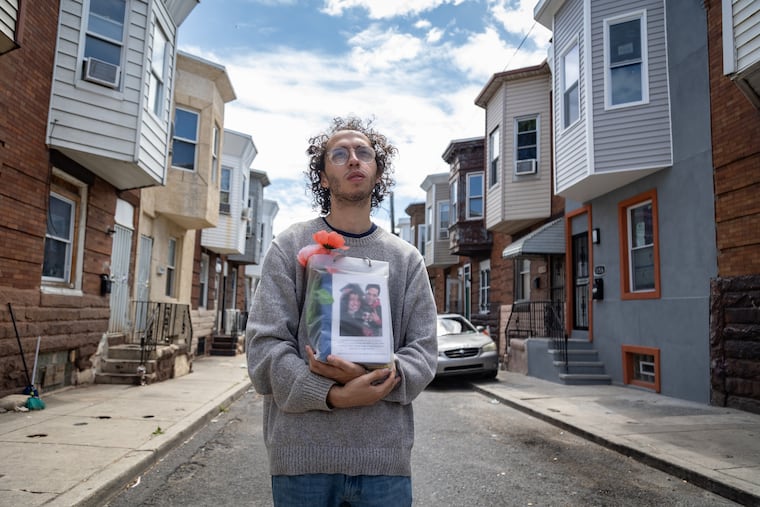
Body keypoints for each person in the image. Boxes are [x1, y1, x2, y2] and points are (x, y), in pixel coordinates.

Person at [246, 115, 438, 507]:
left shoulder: (406, 259)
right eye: (339, 153)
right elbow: (264, 349)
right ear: (322, 176)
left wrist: (374, 376)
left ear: (376, 171)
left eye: (363, 152)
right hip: (302, 460)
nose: (353, 159)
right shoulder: (290, 245)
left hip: (383, 464)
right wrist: (334, 394)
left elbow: (423, 352)